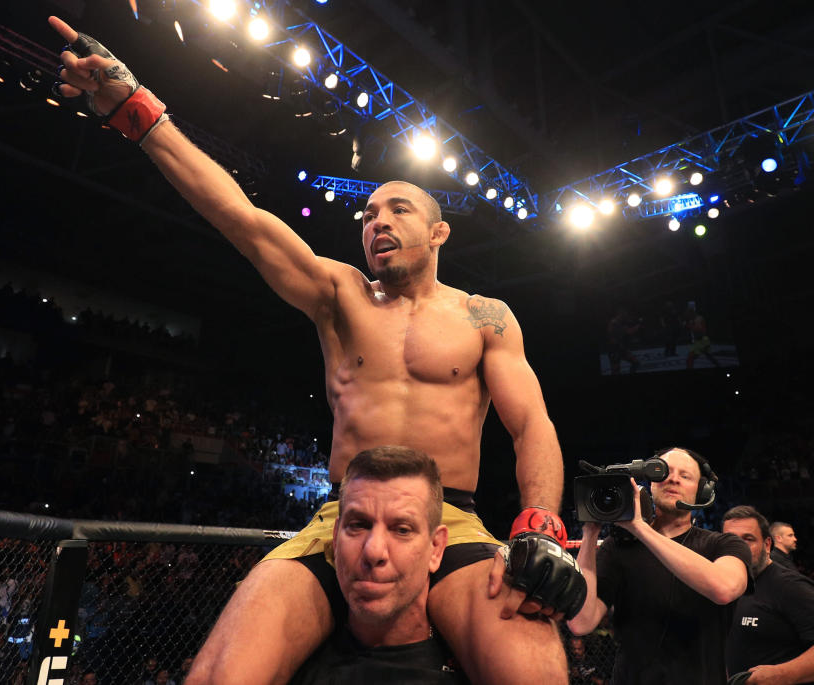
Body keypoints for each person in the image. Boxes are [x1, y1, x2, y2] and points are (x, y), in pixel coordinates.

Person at [48, 17, 584, 684]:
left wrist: (538, 524)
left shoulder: (485, 316)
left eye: (397, 211)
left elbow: (531, 422)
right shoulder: (339, 294)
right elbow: (241, 219)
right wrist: (138, 109)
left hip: (452, 519)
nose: (376, 222)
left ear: (440, 231)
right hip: (343, 515)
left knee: (536, 670)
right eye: (367, 215)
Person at [567, 447, 751, 684]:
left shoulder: (724, 544)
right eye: (664, 472)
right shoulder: (618, 547)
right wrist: (590, 533)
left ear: (702, 492)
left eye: (685, 476)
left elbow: (724, 588)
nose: (673, 478)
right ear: (650, 485)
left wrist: (639, 528)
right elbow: (581, 622)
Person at [289, 446, 468, 684]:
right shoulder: (286, 663)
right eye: (358, 525)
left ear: (435, 548)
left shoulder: (479, 667)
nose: (373, 551)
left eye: (402, 529)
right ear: (335, 536)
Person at [723, 506, 814, 684]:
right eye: (730, 540)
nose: (739, 547)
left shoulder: (790, 586)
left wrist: (783, 674)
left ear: (767, 545)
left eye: (748, 539)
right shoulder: (726, 585)